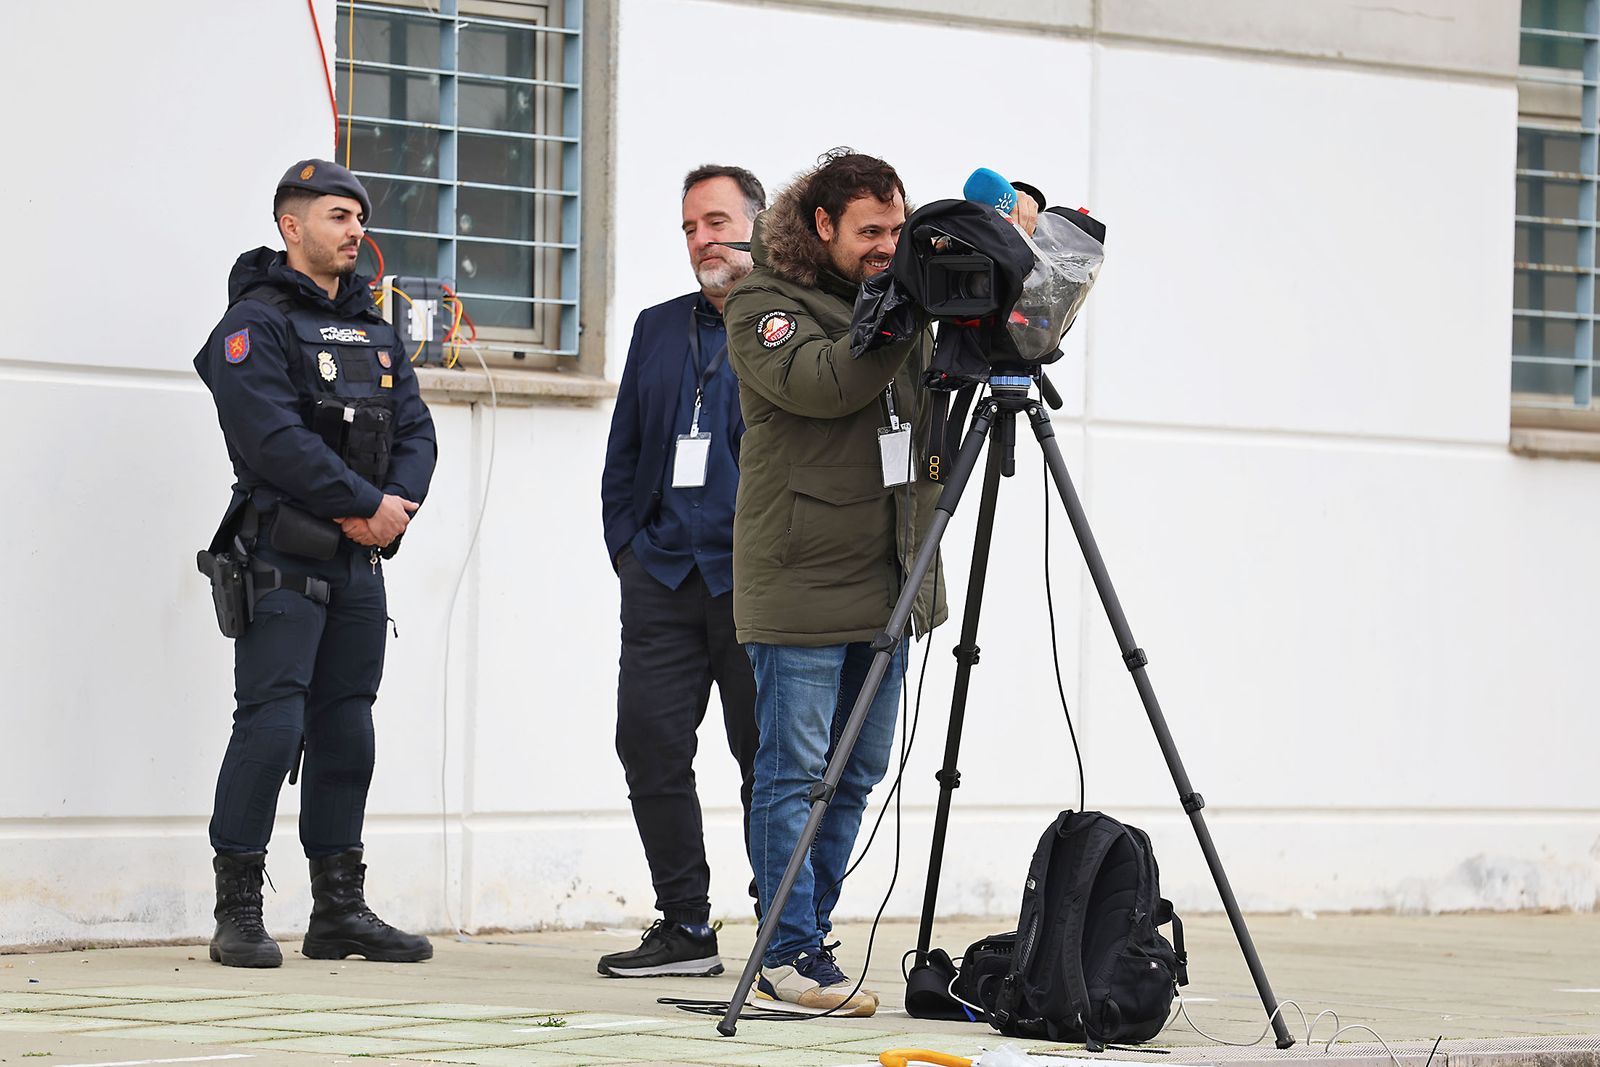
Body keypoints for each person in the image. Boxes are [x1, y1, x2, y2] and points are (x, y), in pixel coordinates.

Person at [194, 158, 437, 968]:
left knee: (347, 731)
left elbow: (416, 431)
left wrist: (393, 505)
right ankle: (238, 909)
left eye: (359, 217)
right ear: (291, 226)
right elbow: (272, 437)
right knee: (272, 726)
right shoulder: (254, 323)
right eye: (339, 215)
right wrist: (362, 504)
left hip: (358, 566)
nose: (355, 230)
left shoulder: (375, 326)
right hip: (281, 557)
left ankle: (339, 911)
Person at [722, 149, 947, 1016]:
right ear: (823, 227)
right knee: (795, 773)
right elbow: (825, 384)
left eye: (899, 229)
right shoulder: (765, 301)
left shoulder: (896, 296)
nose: (889, 246)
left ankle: (808, 936)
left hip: (889, 574)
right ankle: (784, 952)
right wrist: (902, 311)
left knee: (854, 775)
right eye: (871, 231)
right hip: (801, 579)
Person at [597, 164, 766, 978]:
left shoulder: (790, 322)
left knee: (769, 761)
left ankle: (785, 927)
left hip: (755, 585)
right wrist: (626, 548)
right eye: (691, 227)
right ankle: (686, 925)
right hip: (661, 576)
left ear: (759, 224)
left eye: (717, 221)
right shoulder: (658, 327)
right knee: (649, 744)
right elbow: (626, 448)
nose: (703, 239)